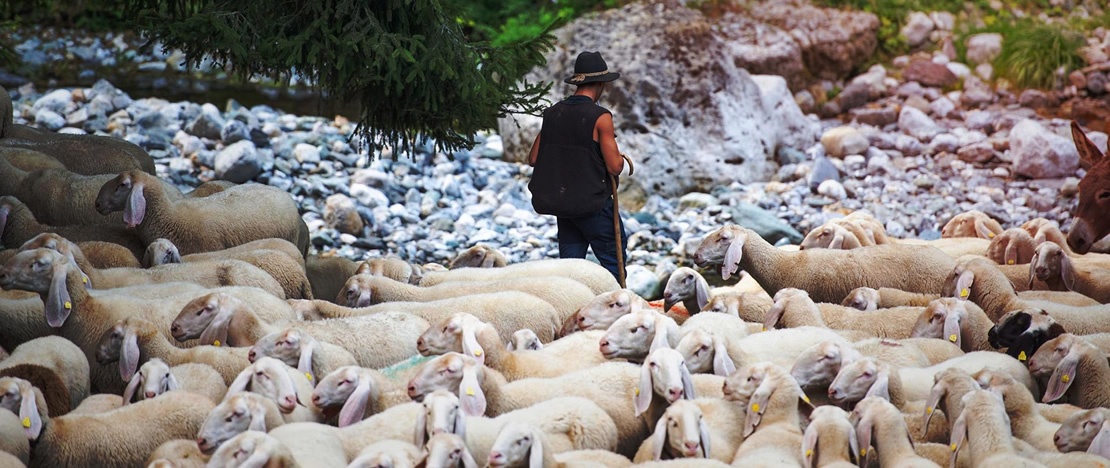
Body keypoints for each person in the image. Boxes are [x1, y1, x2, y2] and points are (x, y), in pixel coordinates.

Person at [527, 51, 628, 283]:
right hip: (593, 205)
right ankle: (616, 309)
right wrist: (619, 157)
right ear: (601, 83)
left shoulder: (553, 113)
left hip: (564, 208)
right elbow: (614, 167)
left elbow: (533, 158)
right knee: (614, 266)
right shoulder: (601, 117)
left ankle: (572, 308)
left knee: (570, 271)